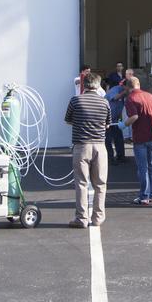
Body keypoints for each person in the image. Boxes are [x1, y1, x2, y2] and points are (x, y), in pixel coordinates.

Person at [64, 73, 111, 228]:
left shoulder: (75, 100)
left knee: (82, 183)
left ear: (84, 85)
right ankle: (98, 218)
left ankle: (81, 218)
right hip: (99, 146)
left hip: (81, 145)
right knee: (100, 184)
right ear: (98, 86)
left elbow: (68, 120)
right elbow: (107, 124)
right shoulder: (104, 103)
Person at [123, 76, 152, 205]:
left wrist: (124, 124)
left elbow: (134, 116)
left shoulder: (130, 98)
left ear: (128, 87)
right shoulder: (150, 96)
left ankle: (144, 196)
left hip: (140, 137)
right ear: (139, 84)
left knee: (142, 168)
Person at [104, 75, 127, 165]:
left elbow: (120, 107)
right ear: (124, 86)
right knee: (108, 139)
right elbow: (115, 97)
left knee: (119, 138)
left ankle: (121, 156)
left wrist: (120, 119)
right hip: (106, 119)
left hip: (116, 119)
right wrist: (125, 92)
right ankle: (110, 158)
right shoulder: (115, 89)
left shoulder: (124, 94)